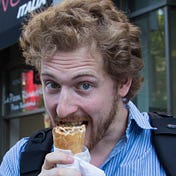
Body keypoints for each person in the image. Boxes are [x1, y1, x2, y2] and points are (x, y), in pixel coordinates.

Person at [0, 0, 167, 175]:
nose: (63, 110)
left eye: (84, 85)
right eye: (53, 84)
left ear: (123, 83)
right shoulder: (18, 161)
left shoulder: (168, 153)